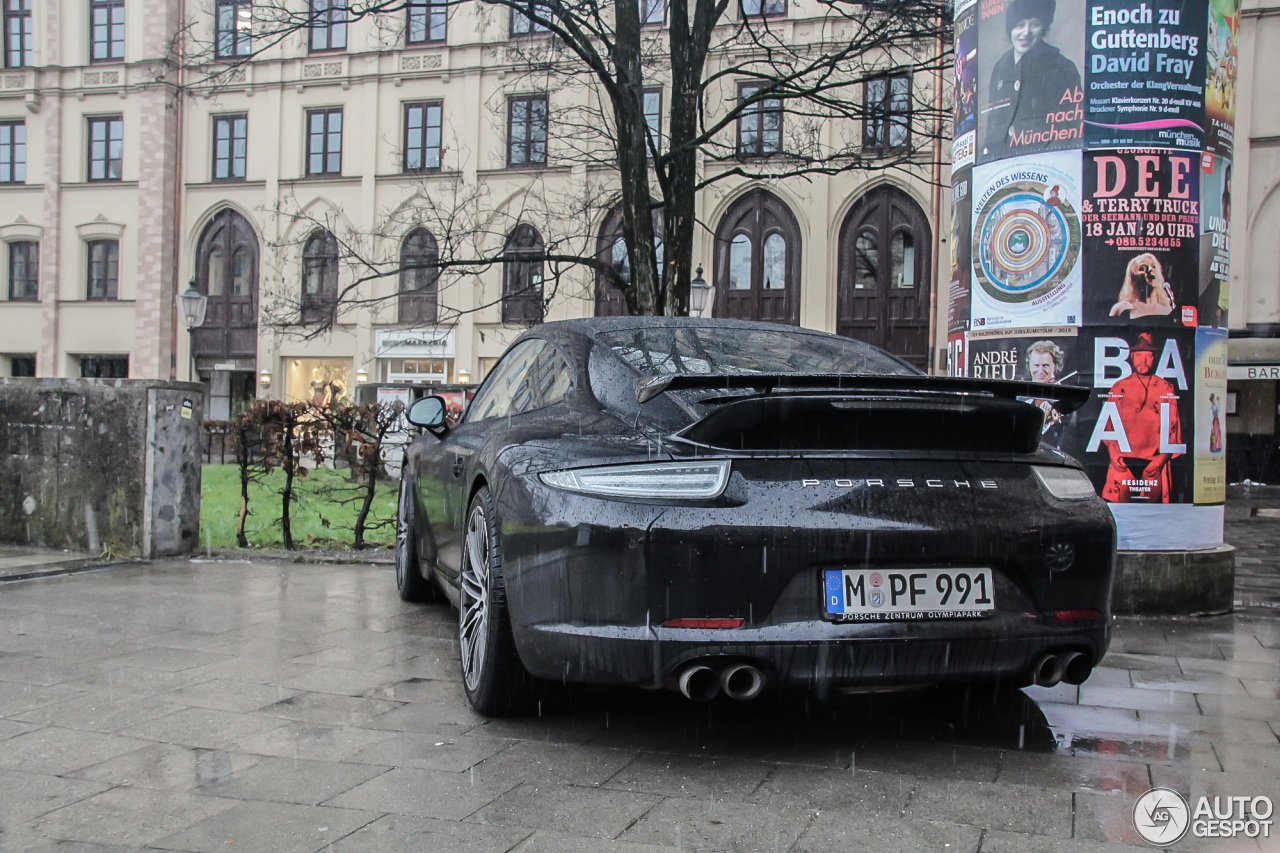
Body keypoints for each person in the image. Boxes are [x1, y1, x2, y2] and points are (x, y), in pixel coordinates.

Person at [981, 0, 1080, 160]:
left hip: (1044, 164)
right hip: (1001, 167)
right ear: (1010, 28)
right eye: (1019, 25)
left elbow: (1070, 125)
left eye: (1034, 24)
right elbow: (993, 124)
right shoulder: (1000, 67)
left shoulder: (1062, 67)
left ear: (1043, 28)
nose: (1025, 33)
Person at [1100, 333, 1182, 503]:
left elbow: (1173, 427)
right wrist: (1113, 454)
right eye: (1138, 355)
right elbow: (1108, 425)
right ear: (1131, 357)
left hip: (1154, 461)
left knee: (1153, 512)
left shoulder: (1166, 388)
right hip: (1123, 461)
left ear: (1155, 358)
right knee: (1121, 512)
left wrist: (1162, 458)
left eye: (1148, 356)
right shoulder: (1119, 386)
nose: (1142, 361)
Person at [1024, 339, 1069, 448]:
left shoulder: (1064, 400)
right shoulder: (1021, 398)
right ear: (1029, 367)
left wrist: (1045, 424)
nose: (1040, 371)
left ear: (1055, 366)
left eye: (1045, 365)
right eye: (1036, 365)